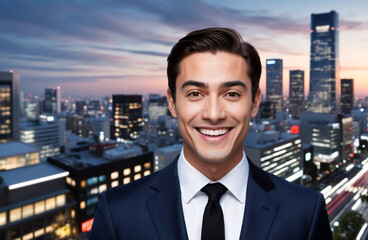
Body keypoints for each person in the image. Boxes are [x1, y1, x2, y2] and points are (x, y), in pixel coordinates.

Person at [89, 27, 333, 240]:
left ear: (255, 102)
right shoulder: (119, 211)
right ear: (172, 103)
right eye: (195, 93)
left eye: (232, 94)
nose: (214, 114)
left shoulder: (304, 212)